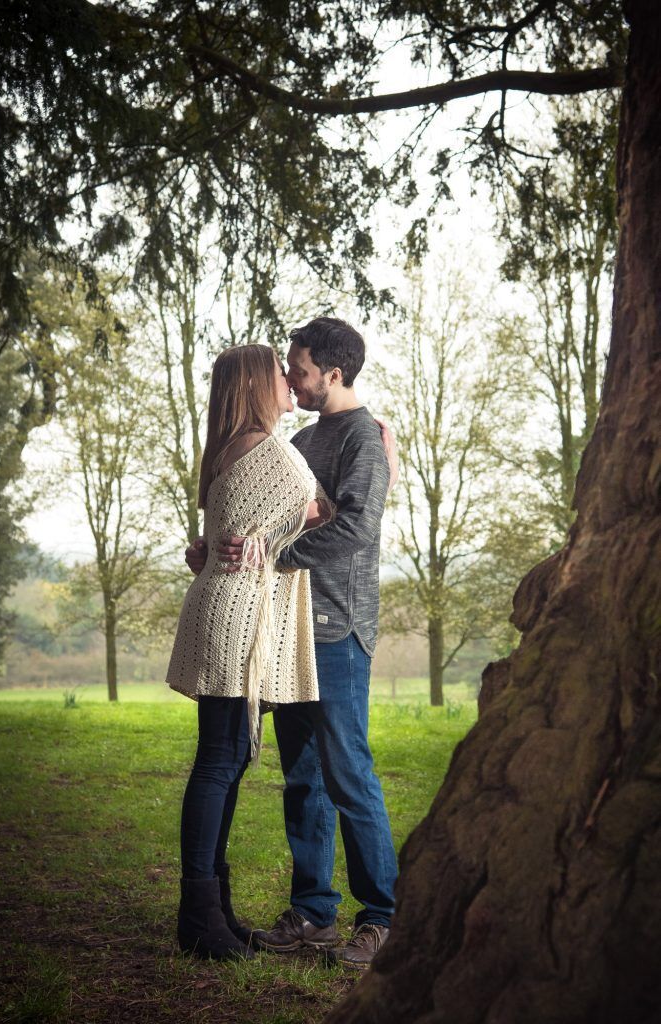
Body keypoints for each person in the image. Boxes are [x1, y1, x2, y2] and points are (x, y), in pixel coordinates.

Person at [186, 317, 399, 970]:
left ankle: (382, 917)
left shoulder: (365, 436)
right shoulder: (302, 437)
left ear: (332, 374)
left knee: (348, 775)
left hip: (339, 628)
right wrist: (217, 546)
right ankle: (313, 913)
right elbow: (256, 512)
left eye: (299, 368)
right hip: (287, 633)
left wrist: (270, 552)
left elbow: (357, 527)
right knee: (302, 779)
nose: (290, 378)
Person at [167, 343, 334, 961]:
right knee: (219, 761)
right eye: (278, 374)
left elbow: (236, 534)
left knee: (224, 759)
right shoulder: (274, 456)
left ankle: (212, 910)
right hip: (238, 619)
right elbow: (324, 512)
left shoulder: (226, 451)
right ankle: (198, 916)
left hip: (222, 609)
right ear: (255, 387)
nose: (289, 380)